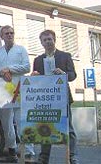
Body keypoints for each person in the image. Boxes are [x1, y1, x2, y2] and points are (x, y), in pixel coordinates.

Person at [31, 29, 79, 164]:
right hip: (45, 99)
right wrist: (34, 76)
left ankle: (73, 156)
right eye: (45, 40)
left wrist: (64, 73)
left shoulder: (65, 56)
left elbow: (73, 75)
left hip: (62, 98)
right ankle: (43, 157)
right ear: (41, 43)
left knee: (68, 128)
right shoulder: (38, 60)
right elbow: (36, 80)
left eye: (50, 39)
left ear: (54, 40)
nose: (48, 42)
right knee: (45, 127)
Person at [0, 25, 31, 163]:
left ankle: (29, 153)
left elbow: (26, 67)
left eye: (11, 33)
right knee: (6, 123)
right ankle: (12, 152)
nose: (9, 35)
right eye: (6, 33)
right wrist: (1, 72)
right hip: (3, 91)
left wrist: (10, 69)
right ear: (1, 36)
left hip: (18, 88)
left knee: (21, 121)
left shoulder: (21, 50)